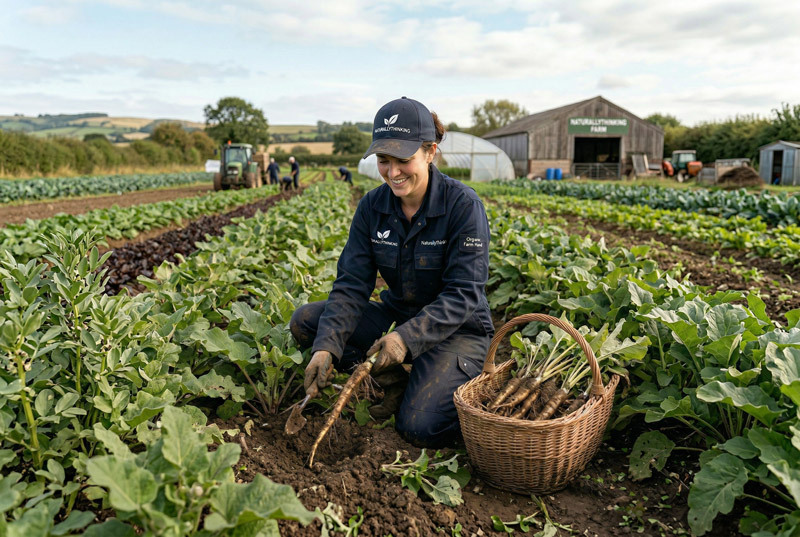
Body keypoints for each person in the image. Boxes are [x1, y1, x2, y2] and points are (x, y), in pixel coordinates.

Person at [290, 96, 492, 448]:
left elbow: (463, 295)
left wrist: (407, 339)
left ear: (430, 151)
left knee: (418, 427)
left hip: (459, 329)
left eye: (403, 160)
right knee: (307, 321)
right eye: (384, 161)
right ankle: (394, 379)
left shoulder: (463, 206)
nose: (393, 173)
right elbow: (352, 284)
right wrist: (326, 347)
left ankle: (433, 384)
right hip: (399, 315)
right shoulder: (372, 206)